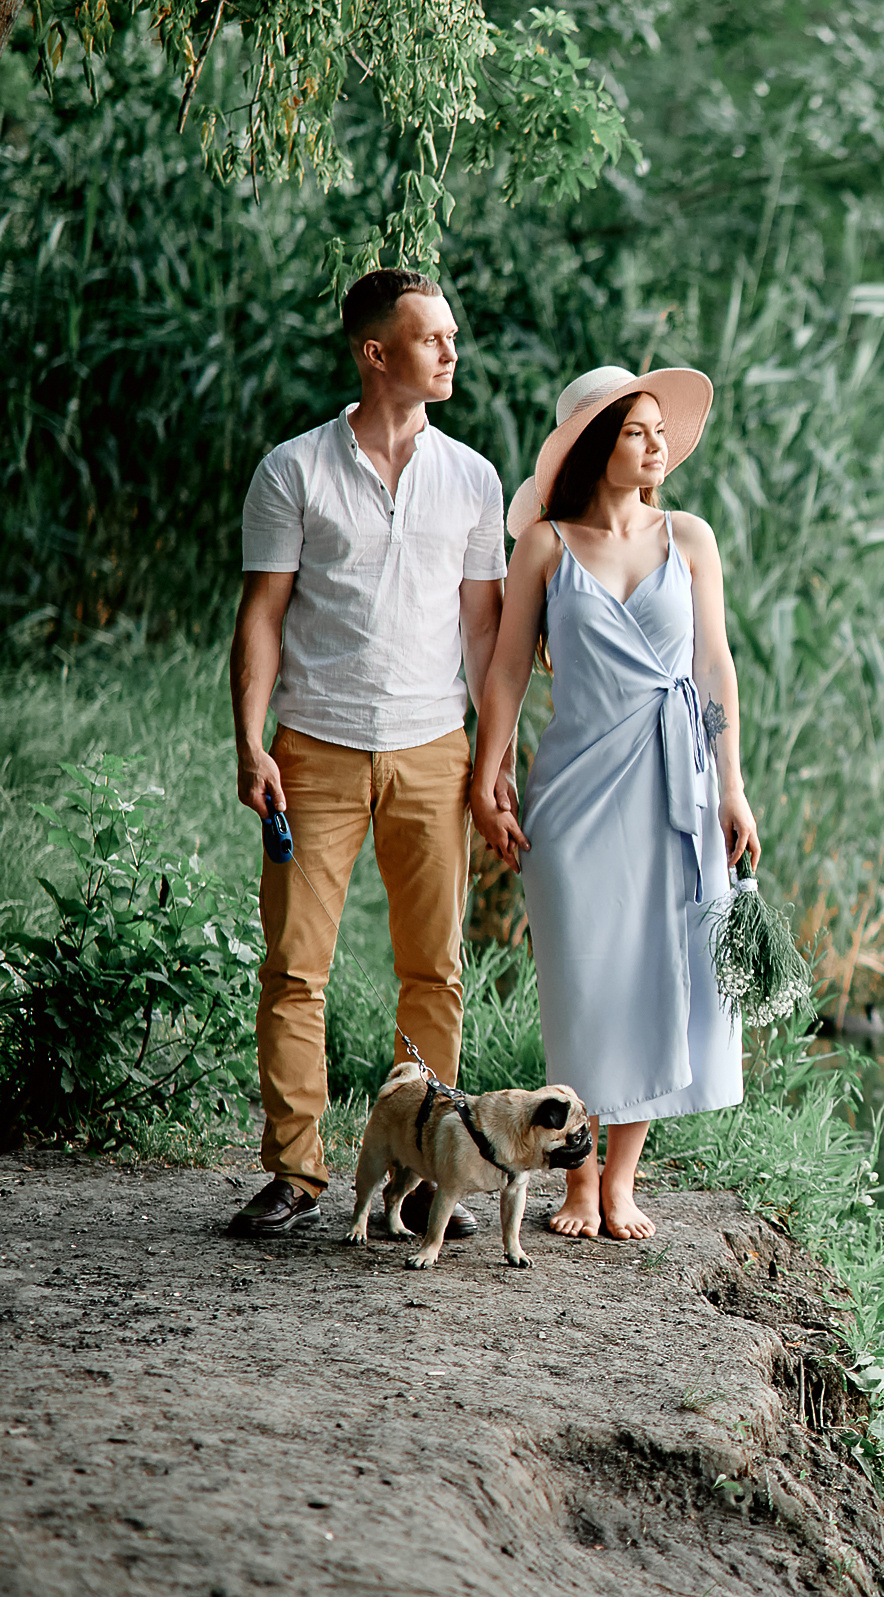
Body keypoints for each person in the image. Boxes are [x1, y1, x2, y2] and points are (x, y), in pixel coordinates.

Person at [227, 270, 505, 1238]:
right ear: (374, 353)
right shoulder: (293, 471)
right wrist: (248, 740)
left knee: (434, 967)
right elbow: (260, 617)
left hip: (434, 748)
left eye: (452, 336)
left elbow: (483, 635)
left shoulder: (473, 479)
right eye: (432, 339)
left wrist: (493, 759)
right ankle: (297, 1174)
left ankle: (426, 1174)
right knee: (297, 967)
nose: (451, 352)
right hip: (314, 752)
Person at [470, 365, 755, 1241]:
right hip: (575, 791)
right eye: (638, 431)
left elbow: (714, 668)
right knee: (588, 982)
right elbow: (509, 668)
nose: (658, 444)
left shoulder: (692, 537)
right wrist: (492, 771)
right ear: (600, 444)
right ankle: (578, 1181)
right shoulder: (547, 547)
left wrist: (733, 785)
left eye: (660, 430)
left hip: (678, 785)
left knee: (660, 979)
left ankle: (620, 1181)